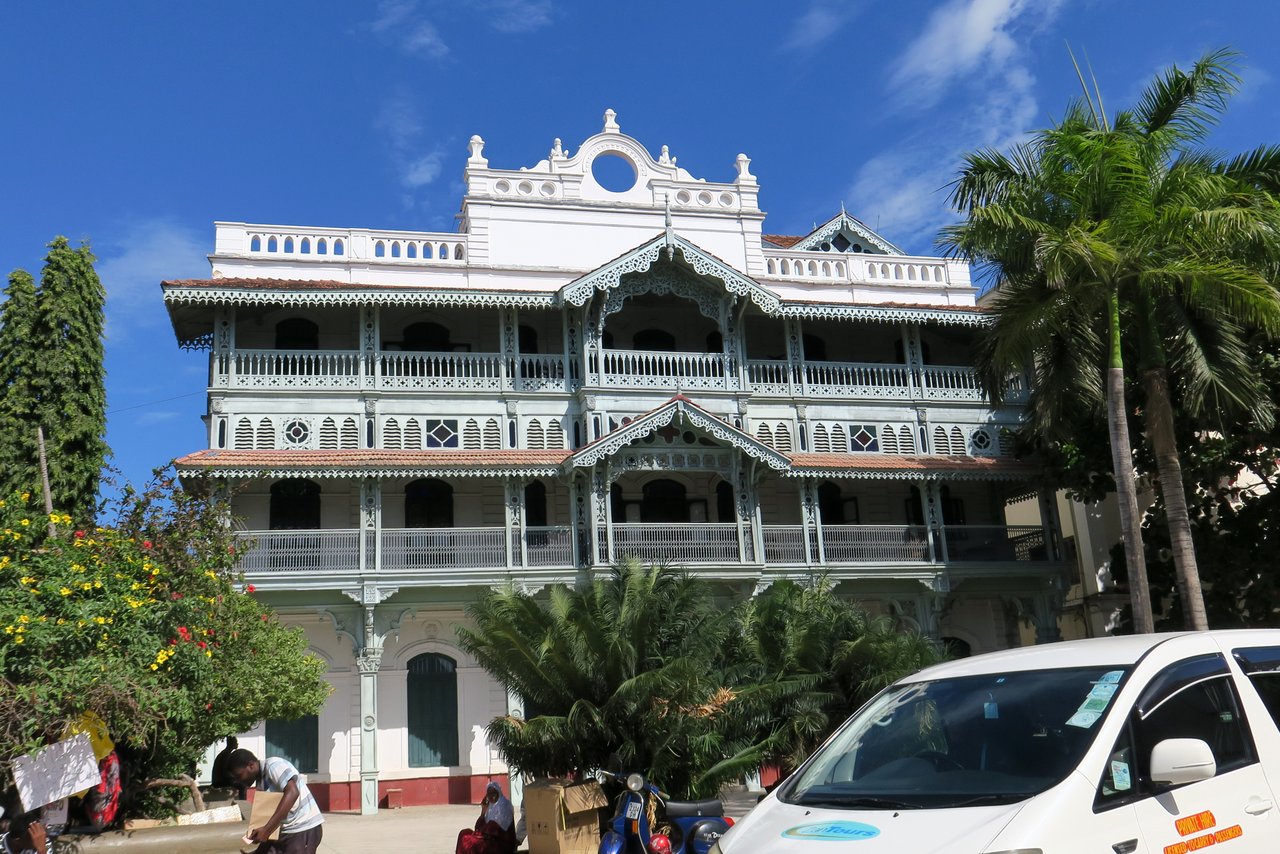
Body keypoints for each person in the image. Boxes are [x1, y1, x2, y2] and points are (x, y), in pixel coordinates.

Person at [227, 749, 324, 854]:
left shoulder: (273, 765)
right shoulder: (261, 782)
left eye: (239, 775)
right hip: (287, 831)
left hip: (303, 828)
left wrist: (266, 830)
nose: (239, 781)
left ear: (251, 765)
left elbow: (292, 793)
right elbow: (271, 817)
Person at [454, 781, 517, 854]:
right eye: (488, 794)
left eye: (493, 793)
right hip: (488, 837)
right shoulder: (490, 806)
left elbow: (496, 828)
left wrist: (480, 833)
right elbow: (478, 827)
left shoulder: (504, 805)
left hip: (501, 842)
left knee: (471, 841)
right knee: (464, 833)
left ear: (498, 793)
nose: (490, 796)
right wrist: (483, 810)